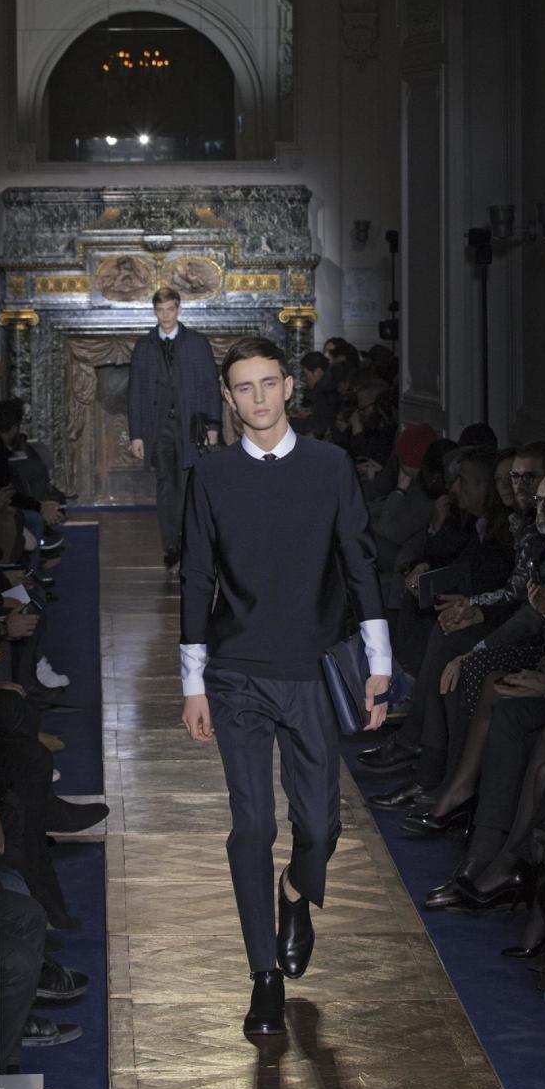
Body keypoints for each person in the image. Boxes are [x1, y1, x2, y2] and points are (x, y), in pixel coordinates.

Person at [179, 335, 392, 1039]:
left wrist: (379, 660)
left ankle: (295, 891)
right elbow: (196, 578)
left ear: (288, 389)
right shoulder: (210, 476)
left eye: (269, 383)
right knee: (253, 825)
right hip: (236, 671)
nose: (259, 398)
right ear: (231, 398)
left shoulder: (330, 468)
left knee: (321, 827)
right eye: (244, 387)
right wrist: (192, 682)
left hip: (308, 669)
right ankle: (263, 978)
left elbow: (360, 563)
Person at [127, 286, 223, 568]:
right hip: (158, 428)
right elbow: (135, 393)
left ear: (179, 309)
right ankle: (171, 544)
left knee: (189, 485)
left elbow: (210, 387)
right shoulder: (144, 346)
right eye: (160, 310)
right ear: (154, 311)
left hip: (191, 426)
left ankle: (187, 542)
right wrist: (136, 435)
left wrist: (213, 425)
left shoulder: (196, 343)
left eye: (170, 309)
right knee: (166, 486)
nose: (166, 315)